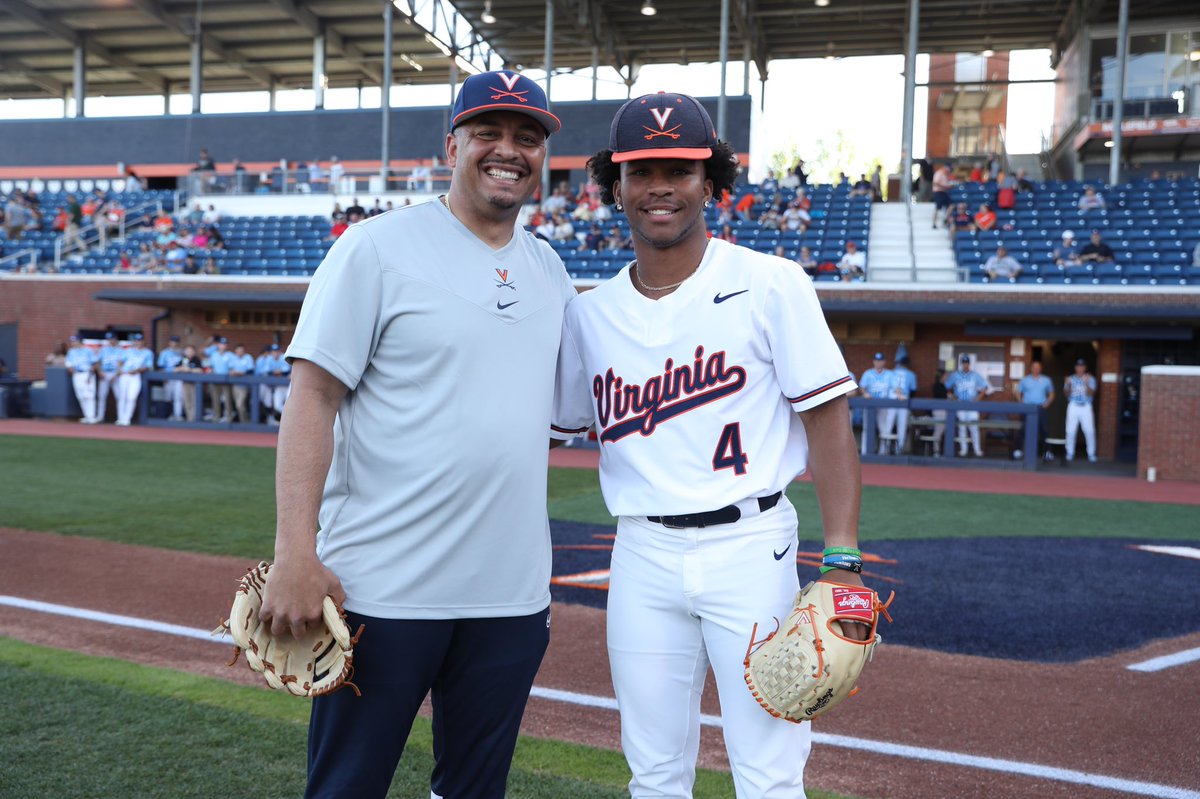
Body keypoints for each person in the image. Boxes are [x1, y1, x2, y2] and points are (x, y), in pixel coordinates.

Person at [257, 69, 574, 799]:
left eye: (527, 137)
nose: (509, 150)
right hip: (383, 589)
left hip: (510, 596)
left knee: (474, 790)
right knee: (346, 787)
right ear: (452, 144)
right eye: (488, 133)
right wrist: (294, 552)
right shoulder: (375, 248)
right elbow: (312, 397)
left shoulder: (550, 269)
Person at [551, 90, 868, 799]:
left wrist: (842, 556)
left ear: (711, 181)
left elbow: (828, 419)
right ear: (615, 185)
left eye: (681, 169)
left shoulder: (769, 283)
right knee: (654, 772)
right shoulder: (589, 314)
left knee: (769, 772)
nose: (660, 186)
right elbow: (552, 424)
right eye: (641, 170)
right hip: (641, 551)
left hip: (751, 546)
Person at [945, 353, 988, 457]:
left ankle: (977, 450)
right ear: (961, 364)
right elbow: (947, 386)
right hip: (960, 403)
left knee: (974, 427)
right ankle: (964, 450)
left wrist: (978, 398)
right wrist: (952, 396)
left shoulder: (975, 375)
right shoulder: (955, 375)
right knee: (962, 427)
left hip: (972, 404)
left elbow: (985, 387)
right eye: (964, 363)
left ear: (969, 364)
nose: (965, 365)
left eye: (967, 363)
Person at [859, 352, 899, 454]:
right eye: (876, 361)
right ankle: (865, 451)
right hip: (869, 405)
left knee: (884, 429)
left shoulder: (890, 374)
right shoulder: (868, 373)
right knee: (867, 429)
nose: (878, 363)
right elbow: (862, 387)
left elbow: (896, 387)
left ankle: (883, 452)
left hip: (883, 405)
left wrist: (899, 394)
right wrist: (865, 393)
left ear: (884, 362)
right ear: (873, 361)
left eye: (880, 361)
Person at [1015, 360, 1055, 460]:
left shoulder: (1046, 380)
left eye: (1038, 367)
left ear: (1041, 368)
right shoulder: (1025, 380)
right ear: (1030, 368)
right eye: (1034, 367)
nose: (1036, 369)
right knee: (1023, 429)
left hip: (1041, 408)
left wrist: (1047, 403)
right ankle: (1018, 450)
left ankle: (1047, 452)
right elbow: (1017, 392)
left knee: (1044, 430)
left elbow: (1052, 393)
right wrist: (1021, 403)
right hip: (1027, 408)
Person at [1063, 358, 1097, 462]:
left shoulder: (1090, 378)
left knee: (1089, 431)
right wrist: (1067, 384)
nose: (1080, 368)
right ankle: (1070, 452)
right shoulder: (1070, 378)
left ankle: (1091, 454)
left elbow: (1091, 393)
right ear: (1075, 367)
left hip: (1086, 406)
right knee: (1070, 431)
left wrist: (1086, 383)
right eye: (1078, 366)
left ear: (1085, 368)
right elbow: (1066, 394)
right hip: (1073, 405)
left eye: (1082, 366)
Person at [115, 333, 153, 426]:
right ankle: (120, 418)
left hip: (136, 376)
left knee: (131, 397)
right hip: (125, 375)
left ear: (143, 341)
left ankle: (127, 419)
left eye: (140, 340)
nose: (138, 342)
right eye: (136, 340)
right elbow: (120, 361)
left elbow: (148, 366)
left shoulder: (148, 352)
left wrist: (137, 370)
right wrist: (120, 370)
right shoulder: (128, 351)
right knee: (122, 397)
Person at [65, 335, 100, 424]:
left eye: (74, 341)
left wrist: (91, 373)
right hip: (77, 374)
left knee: (89, 395)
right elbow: (68, 364)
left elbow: (95, 363)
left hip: (87, 374)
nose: (73, 343)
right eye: (72, 341)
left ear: (79, 341)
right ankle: (86, 416)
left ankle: (91, 416)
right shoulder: (71, 352)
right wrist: (71, 369)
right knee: (80, 396)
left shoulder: (88, 350)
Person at [95, 332, 124, 423]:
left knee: (119, 396)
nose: (110, 341)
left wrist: (117, 373)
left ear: (115, 339)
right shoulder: (103, 350)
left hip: (116, 375)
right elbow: (98, 362)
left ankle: (121, 417)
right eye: (109, 339)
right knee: (102, 396)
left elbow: (122, 363)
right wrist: (99, 372)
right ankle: (100, 416)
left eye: (112, 339)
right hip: (105, 373)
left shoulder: (121, 350)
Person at [892, 355, 917, 453]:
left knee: (887, 426)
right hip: (904, 399)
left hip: (892, 399)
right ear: (907, 364)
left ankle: (884, 448)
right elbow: (913, 390)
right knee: (901, 426)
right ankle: (899, 449)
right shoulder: (911, 374)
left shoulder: (892, 372)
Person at [157, 335, 185, 421]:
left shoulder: (182, 353)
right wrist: (163, 378)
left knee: (178, 397)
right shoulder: (164, 353)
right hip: (168, 378)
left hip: (179, 377)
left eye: (176, 342)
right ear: (169, 342)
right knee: (168, 397)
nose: (174, 343)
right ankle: (169, 415)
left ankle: (178, 415)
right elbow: (160, 367)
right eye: (173, 341)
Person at [228, 343, 256, 423]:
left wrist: (240, 373)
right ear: (236, 351)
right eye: (238, 350)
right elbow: (230, 369)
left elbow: (250, 371)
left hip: (245, 385)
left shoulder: (248, 357)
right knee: (237, 405)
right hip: (235, 385)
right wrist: (233, 372)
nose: (240, 352)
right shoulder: (233, 358)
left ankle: (245, 421)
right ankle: (242, 421)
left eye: (241, 350)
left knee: (240, 404)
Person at [931, 163, 955, 228]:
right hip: (938, 192)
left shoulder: (946, 174)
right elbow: (935, 183)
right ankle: (934, 223)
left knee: (951, 205)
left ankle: (945, 219)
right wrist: (945, 187)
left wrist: (949, 186)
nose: (950, 170)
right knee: (938, 208)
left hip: (944, 192)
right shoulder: (939, 173)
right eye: (949, 169)